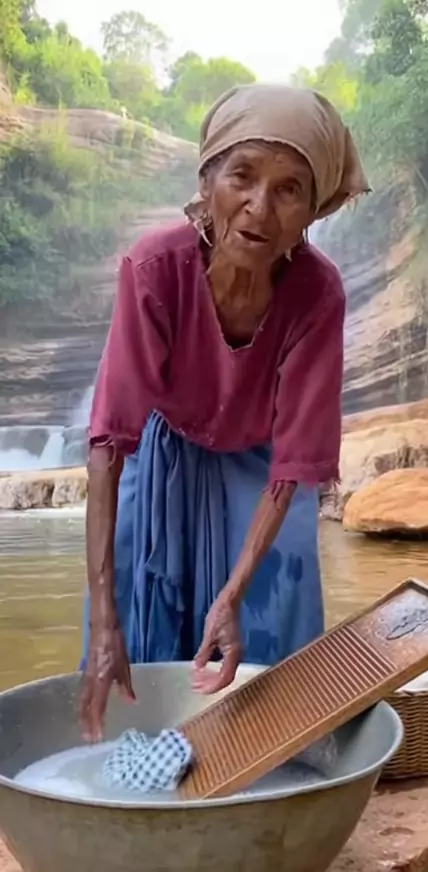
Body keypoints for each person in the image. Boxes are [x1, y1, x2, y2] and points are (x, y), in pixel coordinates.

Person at [79, 83, 369, 742]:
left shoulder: (317, 292)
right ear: (207, 182)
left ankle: (269, 765)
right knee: (129, 616)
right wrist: (103, 620)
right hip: (164, 450)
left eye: (289, 189)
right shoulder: (156, 267)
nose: (259, 207)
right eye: (242, 176)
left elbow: (294, 462)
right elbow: (109, 443)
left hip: (262, 468)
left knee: (275, 621)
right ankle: (130, 759)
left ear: (311, 212)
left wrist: (234, 594)